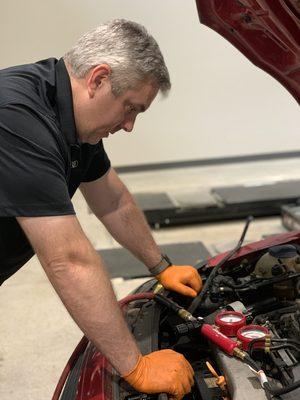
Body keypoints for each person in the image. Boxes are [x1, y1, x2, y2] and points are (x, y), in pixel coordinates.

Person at [0, 19, 202, 399]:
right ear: (98, 79)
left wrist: (161, 265)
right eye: (130, 108)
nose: (129, 126)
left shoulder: (69, 116)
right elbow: (69, 261)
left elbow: (112, 197)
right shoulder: (15, 116)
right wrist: (135, 365)